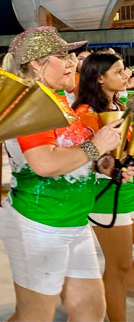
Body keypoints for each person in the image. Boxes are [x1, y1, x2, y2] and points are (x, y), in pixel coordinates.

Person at [0, 26, 126, 322]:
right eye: (62, 56)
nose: (72, 63)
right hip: (41, 225)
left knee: (91, 311)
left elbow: (70, 155)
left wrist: (103, 167)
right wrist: (95, 148)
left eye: (70, 55)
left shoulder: (58, 101)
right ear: (35, 63)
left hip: (73, 220)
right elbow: (43, 163)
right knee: (34, 316)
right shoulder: (28, 102)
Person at [72, 52, 134, 322]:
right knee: (118, 267)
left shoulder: (121, 104)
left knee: (122, 268)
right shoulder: (85, 113)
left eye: (125, 70)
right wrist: (107, 165)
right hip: (107, 195)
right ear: (98, 78)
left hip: (128, 189)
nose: (126, 75)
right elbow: (83, 158)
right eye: (119, 72)